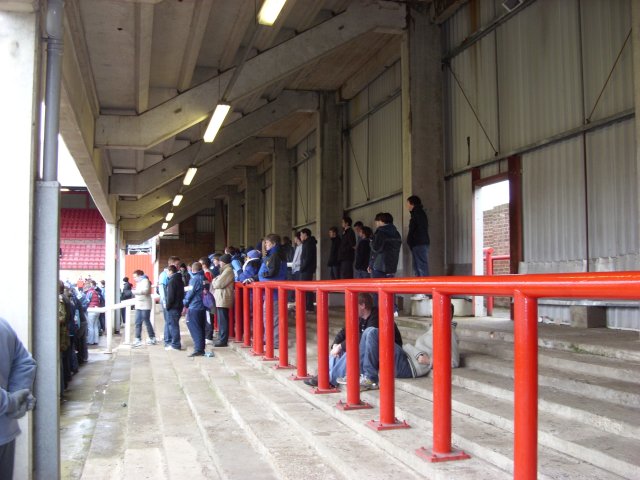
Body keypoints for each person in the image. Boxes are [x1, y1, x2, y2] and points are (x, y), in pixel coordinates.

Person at [304, 293, 401, 388]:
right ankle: (323, 375)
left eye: (354, 305)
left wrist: (341, 346)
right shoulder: (359, 317)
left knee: (350, 351)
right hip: (371, 353)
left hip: (389, 353)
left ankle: (329, 378)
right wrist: (336, 344)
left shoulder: (378, 316)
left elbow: (365, 337)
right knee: (340, 351)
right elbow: (344, 331)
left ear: (362, 305)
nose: (351, 308)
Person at [347, 321, 460, 389]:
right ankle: (359, 374)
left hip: (410, 365)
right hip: (407, 355)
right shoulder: (435, 328)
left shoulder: (449, 331)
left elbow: (454, 361)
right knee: (368, 330)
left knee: (374, 333)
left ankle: (370, 378)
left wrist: (429, 361)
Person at [0, 317, 37, 479]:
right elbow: (24, 362)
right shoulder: (2, 324)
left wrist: (13, 402)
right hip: (5, 429)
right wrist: (16, 398)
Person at [258, 233, 288, 349]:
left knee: (274, 317)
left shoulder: (275, 255)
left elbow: (273, 272)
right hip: (271, 292)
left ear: (273, 243)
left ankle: (274, 342)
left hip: (274, 293)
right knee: (269, 317)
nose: (265, 245)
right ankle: (269, 339)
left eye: (267, 242)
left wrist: (261, 275)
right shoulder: (275, 254)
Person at [407, 195, 430, 301]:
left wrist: (411, 240)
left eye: (408, 203)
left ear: (412, 204)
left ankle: (425, 291)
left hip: (419, 243)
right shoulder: (417, 213)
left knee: (421, 267)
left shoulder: (418, 213)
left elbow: (417, 229)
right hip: (417, 243)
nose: (407, 206)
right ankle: (421, 290)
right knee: (417, 267)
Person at [184, 261, 206, 357]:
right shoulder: (204, 278)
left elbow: (190, 293)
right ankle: (201, 347)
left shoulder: (194, 279)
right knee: (201, 327)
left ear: (192, 269)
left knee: (194, 327)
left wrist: (185, 302)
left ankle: (198, 349)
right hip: (203, 306)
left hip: (195, 306)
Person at [212, 254, 235, 347]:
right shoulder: (225, 270)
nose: (219, 263)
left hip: (224, 297)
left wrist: (214, 280)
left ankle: (223, 340)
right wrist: (215, 280)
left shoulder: (228, 270)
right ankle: (221, 337)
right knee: (221, 320)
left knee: (223, 320)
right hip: (221, 297)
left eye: (220, 261)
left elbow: (218, 284)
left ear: (224, 262)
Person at [131, 269, 157, 347]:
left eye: (135, 277)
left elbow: (146, 291)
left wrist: (134, 292)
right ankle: (137, 339)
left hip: (145, 305)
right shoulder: (139, 282)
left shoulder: (145, 281)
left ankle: (152, 338)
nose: (134, 278)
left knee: (146, 321)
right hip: (139, 305)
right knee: (137, 322)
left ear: (139, 276)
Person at [159, 256, 181, 347]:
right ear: (171, 264)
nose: (178, 266)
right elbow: (162, 289)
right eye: (177, 264)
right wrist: (165, 303)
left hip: (170, 302)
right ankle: (168, 341)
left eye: (179, 264)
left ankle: (169, 340)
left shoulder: (175, 275)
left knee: (170, 321)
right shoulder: (164, 275)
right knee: (169, 321)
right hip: (167, 302)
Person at [164, 264, 185, 351]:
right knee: (174, 325)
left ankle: (175, 344)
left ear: (171, 271)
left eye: (167, 272)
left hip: (173, 307)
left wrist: (168, 306)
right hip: (179, 305)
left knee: (173, 326)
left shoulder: (172, 281)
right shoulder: (180, 279)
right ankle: (174, 343)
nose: (167, 274)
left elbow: (170, 296)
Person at [298, 228, 317, 312]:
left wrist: (302, 268)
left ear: (305, 235)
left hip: (307, 269)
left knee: (307, 289)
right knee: (306, 289)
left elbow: (308, 258)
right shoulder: (307, 243)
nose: (300, 236)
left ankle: (309, 306)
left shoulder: (309, 244)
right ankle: (307, 306)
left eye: (301, 235)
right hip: (306, 269)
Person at [82, 281, 101, 346]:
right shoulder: (96, 292)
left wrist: (83, 308)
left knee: (90, 326)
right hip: (97, 309)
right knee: (95, 326)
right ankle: (96, 340)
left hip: (91, 310)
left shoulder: (89, 293)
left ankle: (90, 341)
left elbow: (87, 302)